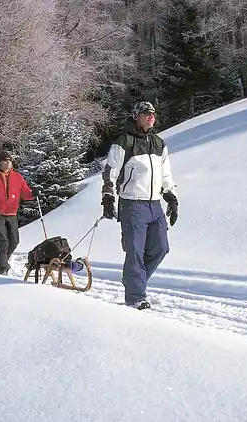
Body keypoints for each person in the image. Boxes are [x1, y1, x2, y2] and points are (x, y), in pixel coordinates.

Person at [101, 101, 178, 310]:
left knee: (161, 247)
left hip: (154, 205)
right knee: (134, 249)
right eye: (146, 113)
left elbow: (165, 174)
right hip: (132, 204)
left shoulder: (158, 143)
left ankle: (136, 281)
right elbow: (111, 172)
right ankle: (135, 296)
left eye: (153, 113)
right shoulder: (124, 142)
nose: (151, 116)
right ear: (137, 116)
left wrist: (171, 196)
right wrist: (108, 196)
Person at [0, 151, 36, 275]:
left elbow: (25, 193)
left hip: (12, 213)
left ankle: (3, 259)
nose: (7, 163)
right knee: (2, 240)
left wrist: (33, 193)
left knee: (14, 240)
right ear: (0, 163)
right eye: (4, 161)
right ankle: (3, 268)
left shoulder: (17, 177)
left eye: (9, 161)